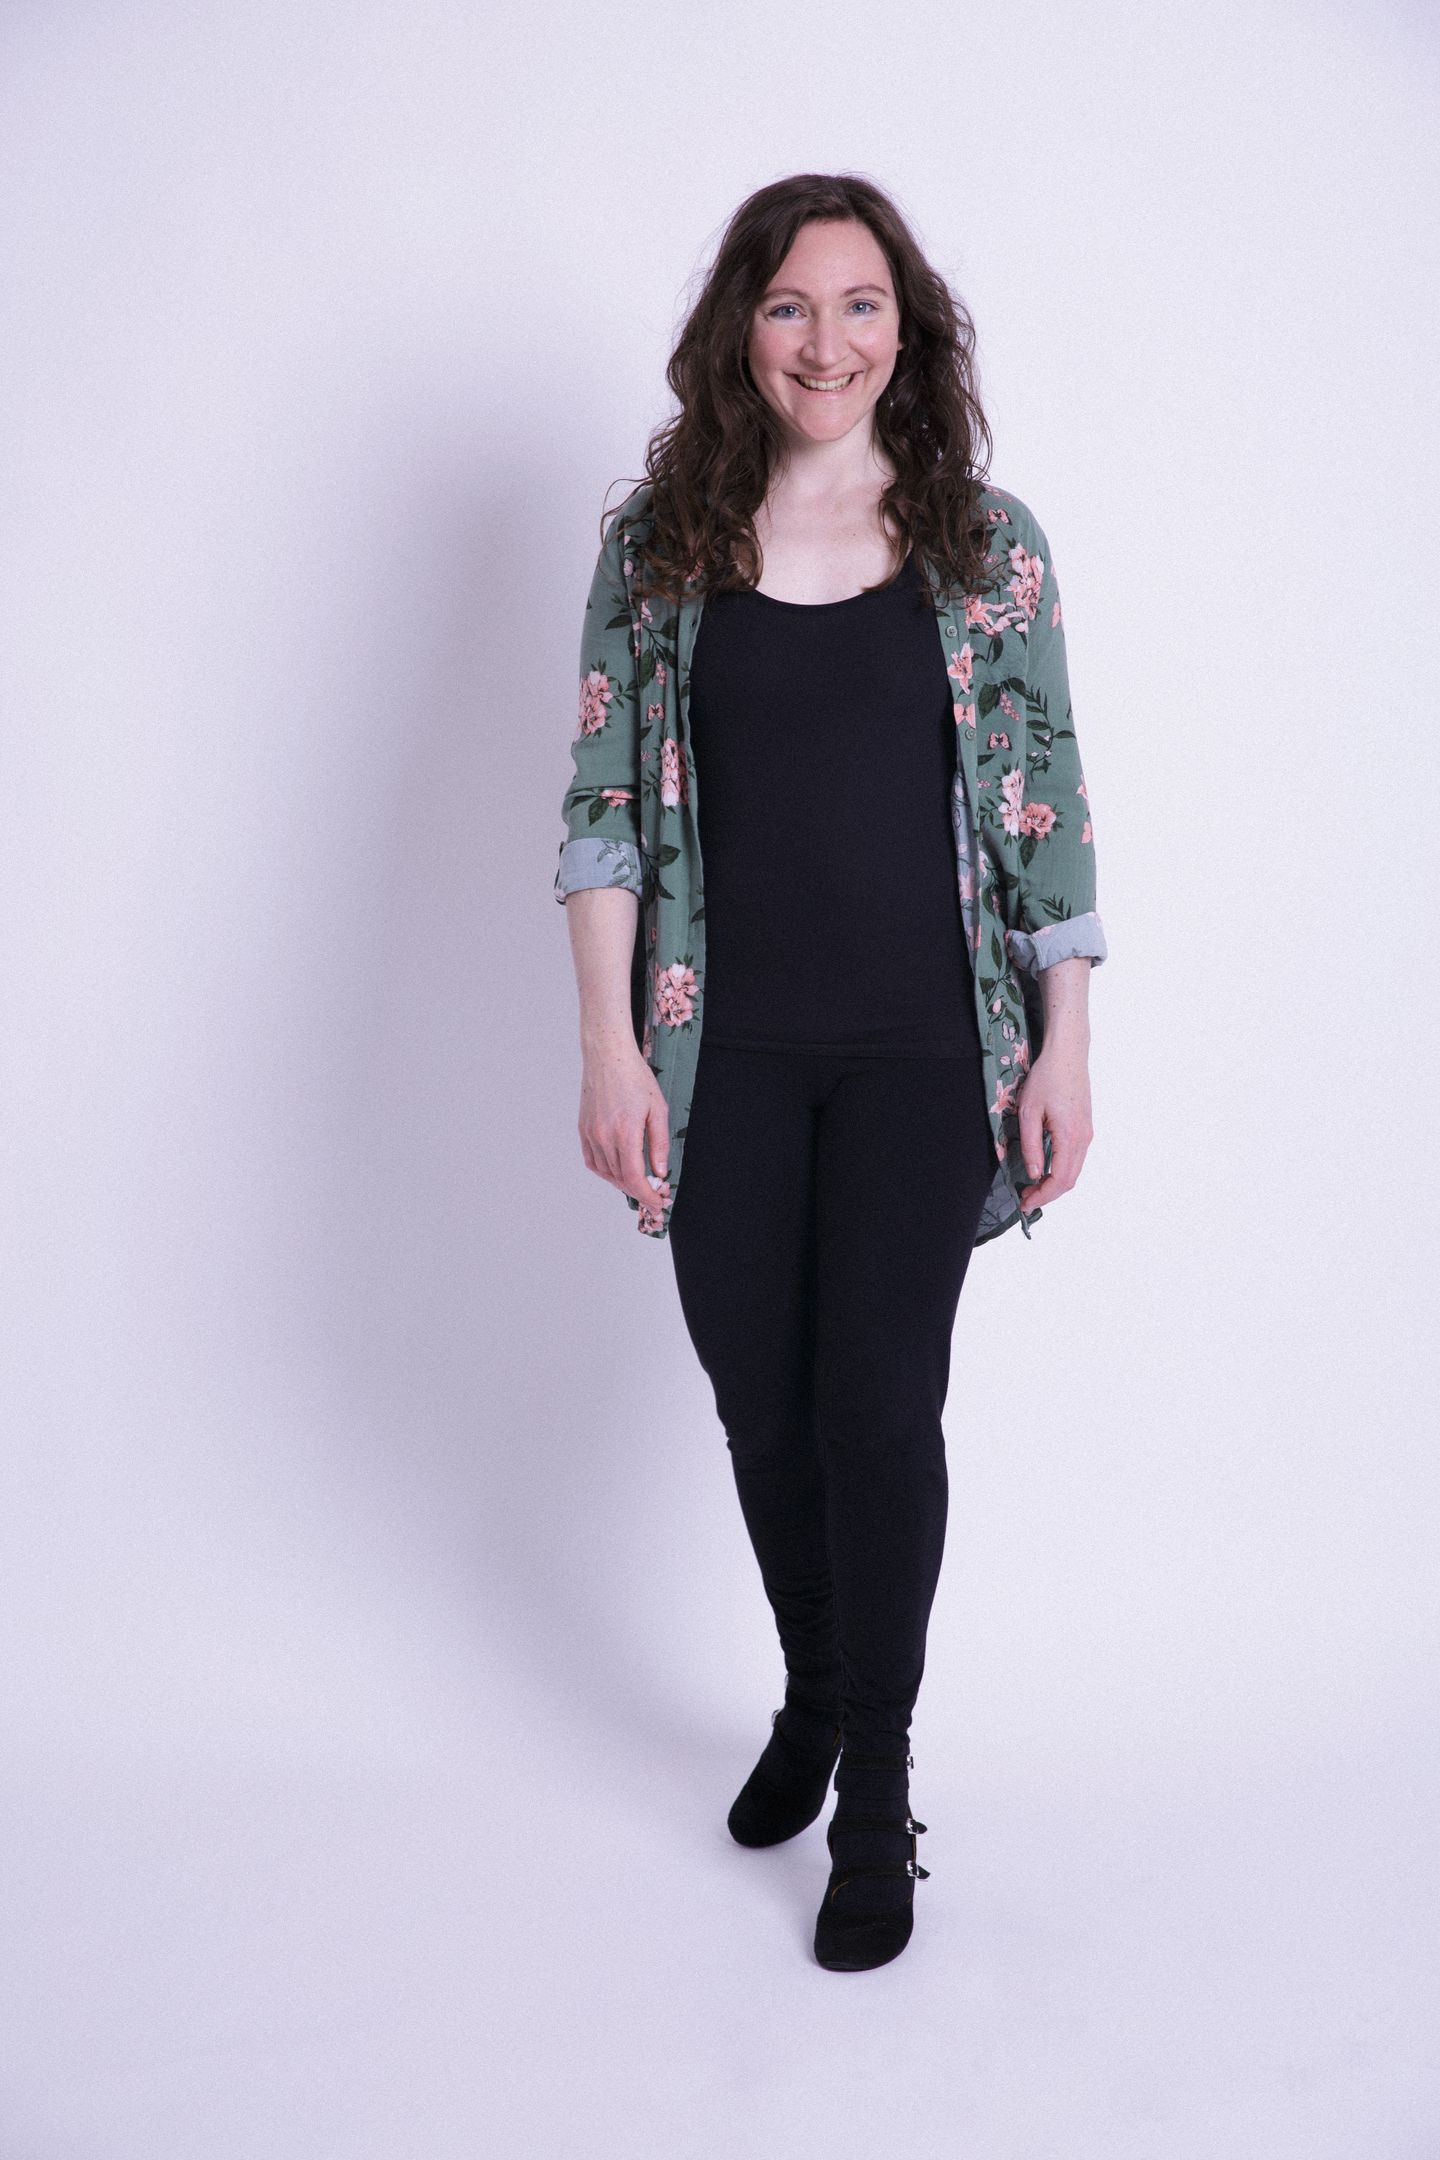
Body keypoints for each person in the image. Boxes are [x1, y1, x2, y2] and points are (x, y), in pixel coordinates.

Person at [553, 173, 1108, 1972]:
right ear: (743, 329)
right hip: (720, 1056)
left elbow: (1048, 808)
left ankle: (876, 1787)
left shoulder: (986, 546)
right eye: (791, 305)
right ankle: (814, 1689)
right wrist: (608, 1047)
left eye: (862, 304)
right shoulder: (661, 549)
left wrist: (1068, 1040)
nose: (827, 341)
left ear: (907, 330)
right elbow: (602, 814)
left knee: (878, 1411)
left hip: (924, 1055)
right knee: (763, 1409)